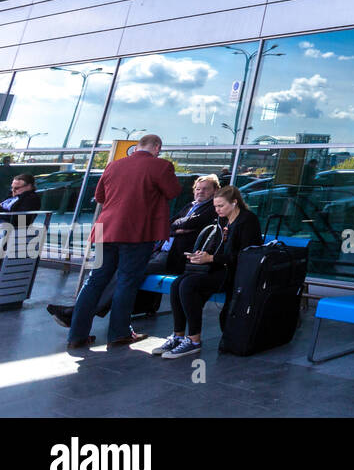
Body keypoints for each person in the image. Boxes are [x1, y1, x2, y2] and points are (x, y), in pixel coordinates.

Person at [46, 175, 220, 327]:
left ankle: (78, 314)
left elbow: (188, 224)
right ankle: (79, 311)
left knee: (127, 271)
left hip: (174, 259)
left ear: (214, 191)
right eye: (198, 188)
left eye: (205, 189)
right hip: (159, 253)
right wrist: (177, 227)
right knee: (117, 269)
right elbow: (169, 224)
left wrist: (176, 226)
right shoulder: (189, 206)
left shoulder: (212, 208)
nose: (200, 192)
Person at [67, 134, 181, 350]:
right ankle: (119, 333)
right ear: (157, 147)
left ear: (137, 147)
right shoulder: (161, 166)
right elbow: (173, 191)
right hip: (135, 233)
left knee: (94, 281)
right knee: (127, 281)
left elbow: (99, 197)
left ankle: (76, 336)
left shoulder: (113, 166)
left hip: (104, 231)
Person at [154, 185, 261, 360]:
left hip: (235, 274)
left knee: (188, 285)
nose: (217, 210)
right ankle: (178, 335)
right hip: (218, 267)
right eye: (215, 206)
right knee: (177, 284)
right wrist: (201, 256)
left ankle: (194, 339)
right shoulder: (223, 220)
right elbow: (216, 246)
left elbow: (245, 255)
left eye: (221, 206)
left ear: (234, 203)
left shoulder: (247, 221)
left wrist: (211, 259)